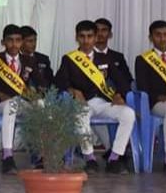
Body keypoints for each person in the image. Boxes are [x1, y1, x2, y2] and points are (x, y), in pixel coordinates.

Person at [55, 20, 134, 174]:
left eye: (90, 36)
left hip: (104, 103)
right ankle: (90, 158)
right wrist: (72, 90)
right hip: (83, 103)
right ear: (76, 37)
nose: (86, 41)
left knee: (128, 114)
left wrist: (120, 95)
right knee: (81, 114)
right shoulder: (69, 59)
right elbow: (58, 82)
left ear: (96, 37)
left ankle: (114, 157)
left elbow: (122, 81)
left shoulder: (105, 58)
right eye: (82, 36)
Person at [0, 24, 45, 174]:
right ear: (3, 42)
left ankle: (41, 154)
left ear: (21, 42)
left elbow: (42, 83)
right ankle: (7, 156)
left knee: (41, 104)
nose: (14, 44)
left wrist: (35, 93)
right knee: (11, 106)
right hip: (3, 104)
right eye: (10, 40)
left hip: (23, 102)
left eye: (18, 40)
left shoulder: (29, 60)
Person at [135, 21, 166, 174]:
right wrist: (159, 96)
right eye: (158, 35)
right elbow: (142, 87)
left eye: (165, 35)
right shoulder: (143, 60)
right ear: (151, 37)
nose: (162, 38)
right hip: (156, 104)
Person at [94, 18, 134, 84]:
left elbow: (128, 80)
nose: (100, 33)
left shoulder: (118, 57)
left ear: (110, 34)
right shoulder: (84, 55)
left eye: (104, 30)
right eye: (97, 30)